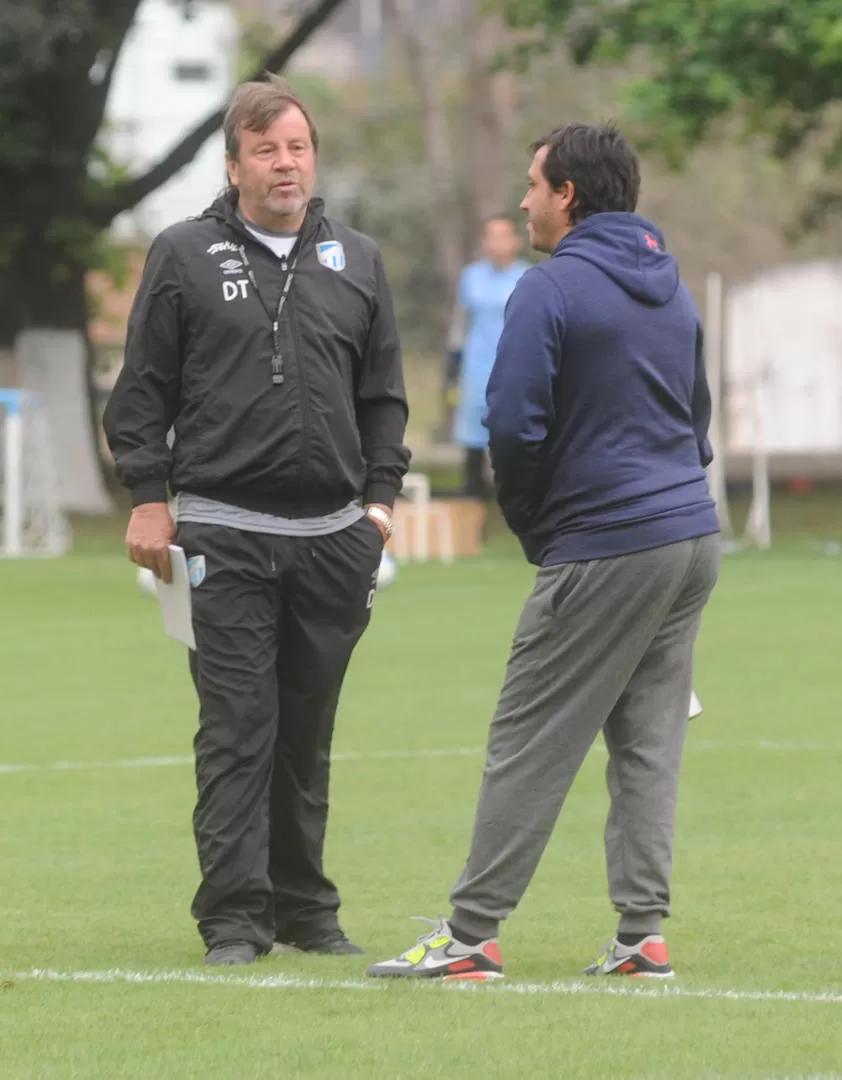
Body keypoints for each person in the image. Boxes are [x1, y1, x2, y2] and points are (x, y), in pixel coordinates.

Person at [367, 123, 720, 982]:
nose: (522, 201)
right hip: (691, 537)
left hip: (606, 543)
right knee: (648, 740)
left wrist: (537, 529)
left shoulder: (547, 287)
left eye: (532, 184)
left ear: (567, 194)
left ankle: (469, 938)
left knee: (528, 737)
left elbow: (512, 429)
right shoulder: (672, 289)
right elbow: (696, 419)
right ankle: (643, 937)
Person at [103, 76, 410, 966]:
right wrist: (149, 497)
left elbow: (383, 396)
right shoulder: (183, 254)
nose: (287, 164)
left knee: (306, 734)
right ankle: (235, 918)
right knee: (240, 727)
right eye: (268, 149)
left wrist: (380, 506)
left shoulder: (358, 258)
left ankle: (304, 908)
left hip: (332, 541)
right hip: (222, 531)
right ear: (233, 164)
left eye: (299, 147)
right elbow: (143, 392)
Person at [449, 216, 529, 498]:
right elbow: (461, 323)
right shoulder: (471, 277)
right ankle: (473, 504)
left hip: (512, 373)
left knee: (509, 441)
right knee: (472, 441)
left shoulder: (527, 277)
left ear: (516, 241)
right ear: (484, 242)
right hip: (475, 371)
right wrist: (452, 367)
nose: (497, 242)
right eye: (491, 236)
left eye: (504, 235)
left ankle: (512, 503)